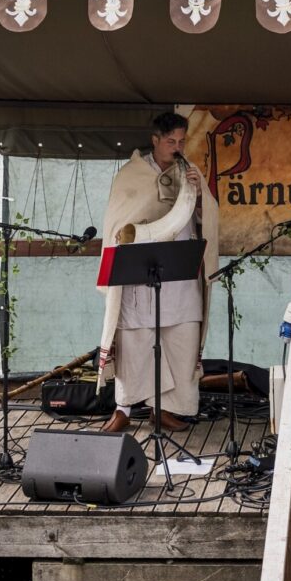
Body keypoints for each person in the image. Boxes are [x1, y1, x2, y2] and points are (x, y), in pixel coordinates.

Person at [99, 112, 219, 434]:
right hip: (140, 271)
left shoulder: (188, 172)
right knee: (136, 339)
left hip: (178, 271)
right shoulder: (132, 175)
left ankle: (164, 409)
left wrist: (198, 198)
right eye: (171, 142)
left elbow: (207, 218)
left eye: (181, 141)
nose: (177, 147)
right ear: (155, 140)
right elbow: (117, 220)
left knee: (181, 338)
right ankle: (124, 408)